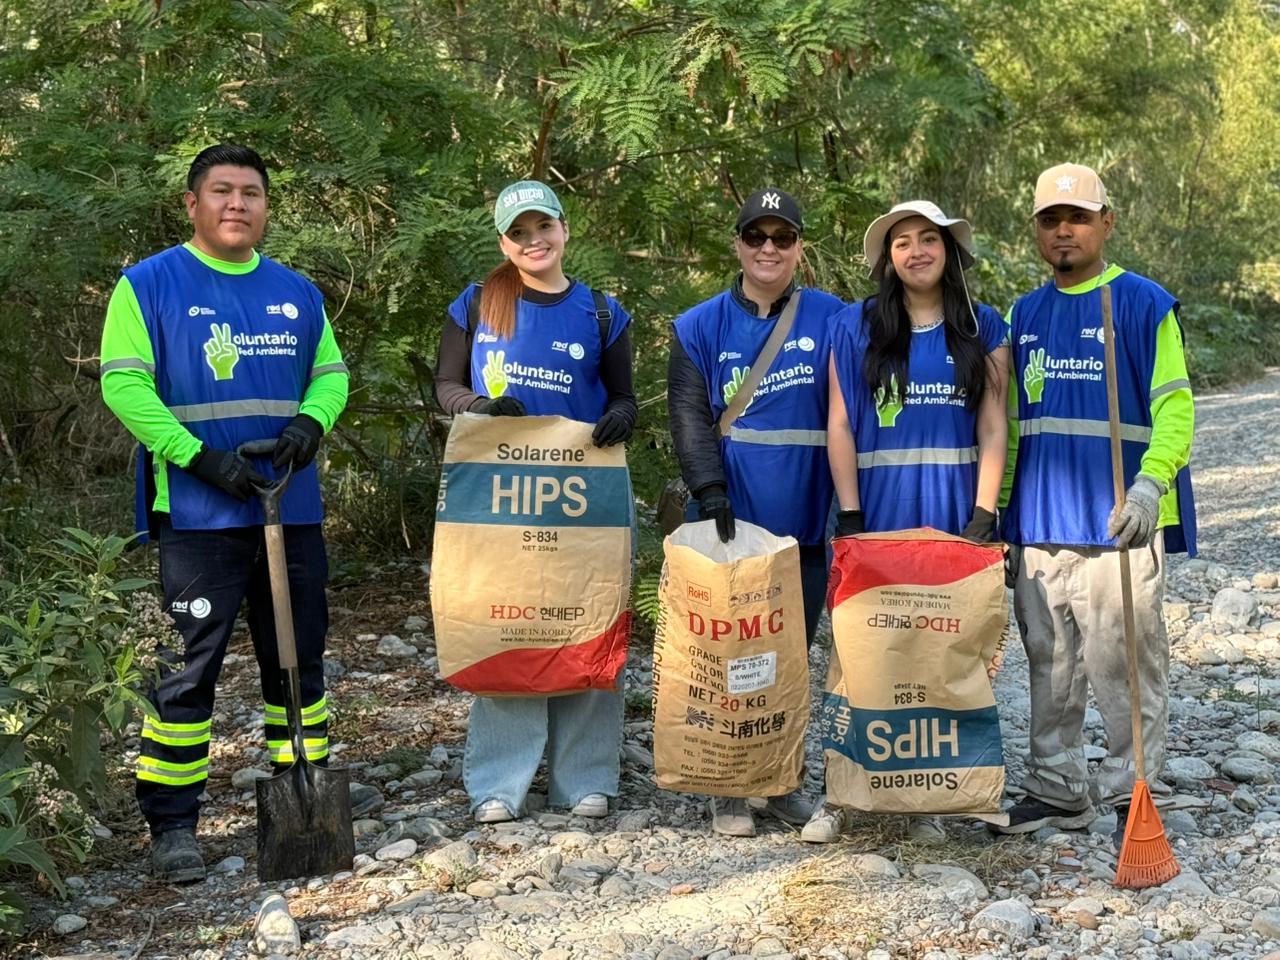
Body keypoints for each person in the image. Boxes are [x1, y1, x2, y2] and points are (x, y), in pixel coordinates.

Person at [99, 143, 352, 882]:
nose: (237, 204)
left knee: (297, 661)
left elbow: (331, 374)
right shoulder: (147, 286)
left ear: (266, 206)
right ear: (192, 203)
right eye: (221, 191)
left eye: (251, 193)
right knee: (187, 672)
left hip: (289, 506)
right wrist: (200, 458)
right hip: (199, 512)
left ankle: (303, 787)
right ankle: (173, 826)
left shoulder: (297, 291)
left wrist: (310, 424)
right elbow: (126, 388)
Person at [993, 163, 1196, 849]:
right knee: (1050, 667)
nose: (1064, 230)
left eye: (1077, 217)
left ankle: (1130, 795)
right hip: (1040, 526)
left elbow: (1175, 409)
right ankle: (1055, 790)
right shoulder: (1024, 314)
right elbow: (1010, 425)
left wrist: (1151, 485)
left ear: (1107, 222)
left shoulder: (1142, 304)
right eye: (1050, 219)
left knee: (1124, 667)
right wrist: (1001, 517)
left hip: (1118, 526)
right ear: (1037, 231)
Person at [803, 200, 1010, 844]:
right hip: (878, 515)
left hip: (952, 512)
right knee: (861, 650)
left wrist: (983, 510)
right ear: (886, 258)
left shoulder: (984, 327)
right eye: (902, 243)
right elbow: (838, 422)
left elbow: (994, 424)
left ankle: (930, 799)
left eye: (928, 239)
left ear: (949, 250)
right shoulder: (853, 326)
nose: (916, 250)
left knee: (941, 648)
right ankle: (843, 793)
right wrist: (853, 511)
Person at [434, 179, 637, 823]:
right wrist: (479, 407)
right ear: (503, 241)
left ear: (564, 230)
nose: (533, 241)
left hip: (585, 495)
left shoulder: (602, 312)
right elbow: (445, 384)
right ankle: (500, 783)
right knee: (507, 622)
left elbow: (622, 394)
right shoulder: (476, 304)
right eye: (518, 233)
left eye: (542, 227)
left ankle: (586, 780)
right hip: (500, 495)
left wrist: (622, 415)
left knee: (589, 621)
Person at [667, 187, 846, 837]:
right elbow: (687, 414)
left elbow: (853, 408)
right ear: (738, 244)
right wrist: (709, 488)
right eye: (756, 237)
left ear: (800, 247)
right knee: (731, 653)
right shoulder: (700, 325)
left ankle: (783, 780)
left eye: (783, 238)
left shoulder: (834, 318)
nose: (769, 248)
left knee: (790, 653)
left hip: (806, 518)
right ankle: (732, 786)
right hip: (730, 516)